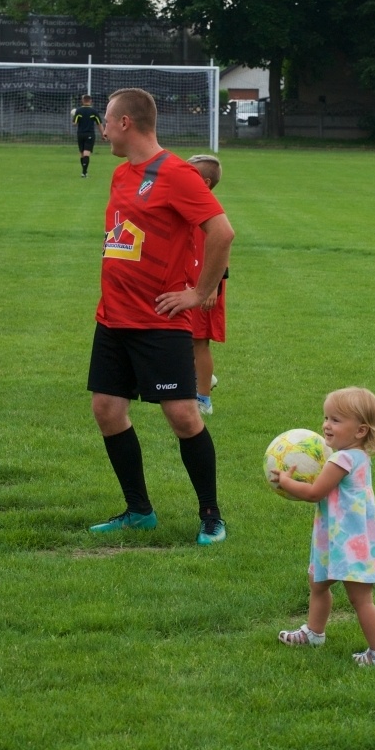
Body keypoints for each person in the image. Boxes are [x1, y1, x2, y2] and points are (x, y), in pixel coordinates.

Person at [87, 88, 234, 545]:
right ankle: (138, 510)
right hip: (113, 317)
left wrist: (200, 293)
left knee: (183, 417)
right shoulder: (119, 174)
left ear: (126, 123)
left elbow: (221, 232)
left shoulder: (176, 173)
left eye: (106, 121)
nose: (103, 129)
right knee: (107, 410)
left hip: (158, 320)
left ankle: (211, 515)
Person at [274, 387, 375, 666]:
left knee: (360, 599)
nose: (327, 424)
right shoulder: (359, 456)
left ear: (360, 430)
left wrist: (287, 482)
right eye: (326, 417)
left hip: (348, 540)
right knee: (318, 583)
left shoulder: (341, 459)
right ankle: (314, 633)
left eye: (336, 420)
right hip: (342, 535)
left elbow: (315, 493)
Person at [187, 154, 227, 418]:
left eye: (190, 174)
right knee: (184, 340)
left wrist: (212, 286)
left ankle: (204, 400)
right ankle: (205, 378)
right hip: (188, 285)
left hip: (206, 287)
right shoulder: (189, 205)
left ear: (206, 181)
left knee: (199, 342)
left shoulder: (210, 208)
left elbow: (223, 246)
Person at [71, 94, 104, 177]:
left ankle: (84, 172)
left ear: (82, 101)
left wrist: (73, 116)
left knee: (82, 154)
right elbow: (99, 124)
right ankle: (84, 173)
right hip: (90, 134)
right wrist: (103, 134)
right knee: (86, 153)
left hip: (80, 134)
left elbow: (74, 124)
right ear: (90, 101)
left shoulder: (78, 111)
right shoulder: (94, 111)